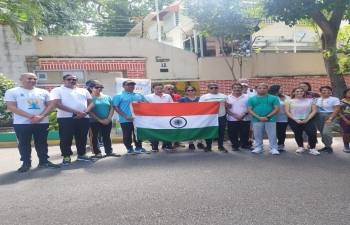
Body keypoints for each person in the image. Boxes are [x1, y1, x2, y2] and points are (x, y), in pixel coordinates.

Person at [4, 73, 60, 172]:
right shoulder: (12, 91)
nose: (32, 80)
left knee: (42, 143)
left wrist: (41, 117)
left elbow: (50, 105)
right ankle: (26, 163)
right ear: (21, 79)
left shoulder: (43, 92)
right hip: (22, 123)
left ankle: (44, 161)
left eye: (35, 79)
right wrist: (32, 117)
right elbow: (11, 107)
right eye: (29, 78)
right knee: (24, 143)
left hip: (42, 122)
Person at [50, 74, 95, 165]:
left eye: (74, 79)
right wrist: (76, 111)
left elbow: (91, 103)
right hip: (66, 118)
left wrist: (85, 113)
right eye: (69, 79)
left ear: (77, 81)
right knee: (66, 138)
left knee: (82, 137)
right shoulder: (57, 90)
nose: (71, 80)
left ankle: (81, 154)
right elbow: (57, 104)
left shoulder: (83, 90)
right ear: (63, 81)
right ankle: (66, 156)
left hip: (83, 117)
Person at [113, 80, 150, 155]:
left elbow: (147, 103)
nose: (131, 86)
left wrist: (140, 104)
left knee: (138, 134)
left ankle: (139, 147)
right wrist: (125, 116)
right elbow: (115, 107)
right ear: (123, 86)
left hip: (138, 119)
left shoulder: (139, 95)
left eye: (132, 85)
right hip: (126, 119)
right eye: (128, 84)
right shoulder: (118, 95)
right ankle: (129, 148)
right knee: (127, 134)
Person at [88, 81, 120, 158]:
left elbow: (111, 108)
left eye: (101, 87)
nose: (99, 89)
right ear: (91, 88)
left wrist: (108, 119)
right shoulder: (88, 98)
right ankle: (97, 152)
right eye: (96, 87)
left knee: (106, 136)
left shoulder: (107, 97)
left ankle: (109, 151)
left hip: (107, 121)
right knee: (94, 136)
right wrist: (99, 120)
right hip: (93, 121)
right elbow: (88, 111)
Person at [247, 83, 281, 155]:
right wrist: (258, 117)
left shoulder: (274, 98)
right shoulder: (251, 99)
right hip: (257, 119)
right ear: (256, 89)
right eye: (260, 88)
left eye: (264, 88)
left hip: (271, 119)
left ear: (267, 89)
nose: (262, 89)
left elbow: (277, 108)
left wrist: (267, 117)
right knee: (257, 134)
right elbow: (249, 109)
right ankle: (259, 147)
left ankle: (273, 148)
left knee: (272, 134)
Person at [284, 87, 319, 155]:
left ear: (304, 92)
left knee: (312, 133)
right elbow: (287, 112)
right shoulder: (288, 101)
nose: (299, 92)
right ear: (293, 92)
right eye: (297, 91)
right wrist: (296, 119)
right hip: (294, 120)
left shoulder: (311, 101)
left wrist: (307, 119)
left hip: (308, 119)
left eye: (301, 91)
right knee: (298, 133)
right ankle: (300, 147)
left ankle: (312, 148)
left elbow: (314, 111)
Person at [199, 83, 230, 153]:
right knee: (209, 131)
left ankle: (220, 146)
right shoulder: (204, 97)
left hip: (221, 116)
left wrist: (226, 103)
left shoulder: (224, 96)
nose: (214, 89)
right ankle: (208, 146)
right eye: (211, 88)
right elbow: (200, 107)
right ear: (208, 89)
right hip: (209, 117)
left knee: (221, 132)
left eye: (215, 88)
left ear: (218, 88)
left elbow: (229, 106)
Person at [146, 83, 174, 151]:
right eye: (157, 89)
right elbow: (147, 107)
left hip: (166, 118)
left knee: (167, 131)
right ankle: (154, 145)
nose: (159, 90)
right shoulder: (148, 97)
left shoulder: (168, 96)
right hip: (154, 118)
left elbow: (172, 106)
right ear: (153, 89)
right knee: (154, 132)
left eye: (161, 89)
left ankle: (166, 145)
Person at [314, 86, 340, 154]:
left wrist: (330, 119)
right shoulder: (316, 99)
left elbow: (336, 109)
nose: (326, 91)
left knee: (326, 132)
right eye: (324, 90)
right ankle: (326, 146)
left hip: (330, 115)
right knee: (322, 132)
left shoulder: (334, 99)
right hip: (318, 116)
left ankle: (329, 146)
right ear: (321, 91)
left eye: (328, 90)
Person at [226, 83, 253, 151]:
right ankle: (235, 145)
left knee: (245, 132)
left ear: (241, 88)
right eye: (234, 87)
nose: (237, 89)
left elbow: (250, 107)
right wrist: (234, 115)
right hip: (232, 118)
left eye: (238, 87)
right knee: (232, 133)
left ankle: (245, 145)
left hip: (245, 118)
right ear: (232, 89)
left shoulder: (247, 97)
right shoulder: (227, 97)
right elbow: (225, 109)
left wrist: (243, 114)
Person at [268, 84, 290, 151]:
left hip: (284, 117)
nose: (282, 89)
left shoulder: (286, 97)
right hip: (273, 117)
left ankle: (281, 144)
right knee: (273, 132)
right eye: (281, 88)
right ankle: (273, 145)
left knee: (282, 132)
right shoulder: (270, 97)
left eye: (283, 88)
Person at [338, 88, 350, 153]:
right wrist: (346, 120)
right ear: (345, 94)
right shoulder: (341, 102)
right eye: (349, 92)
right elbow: (338, 112)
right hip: (344, 118)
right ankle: (346, 145)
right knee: (346, 131)